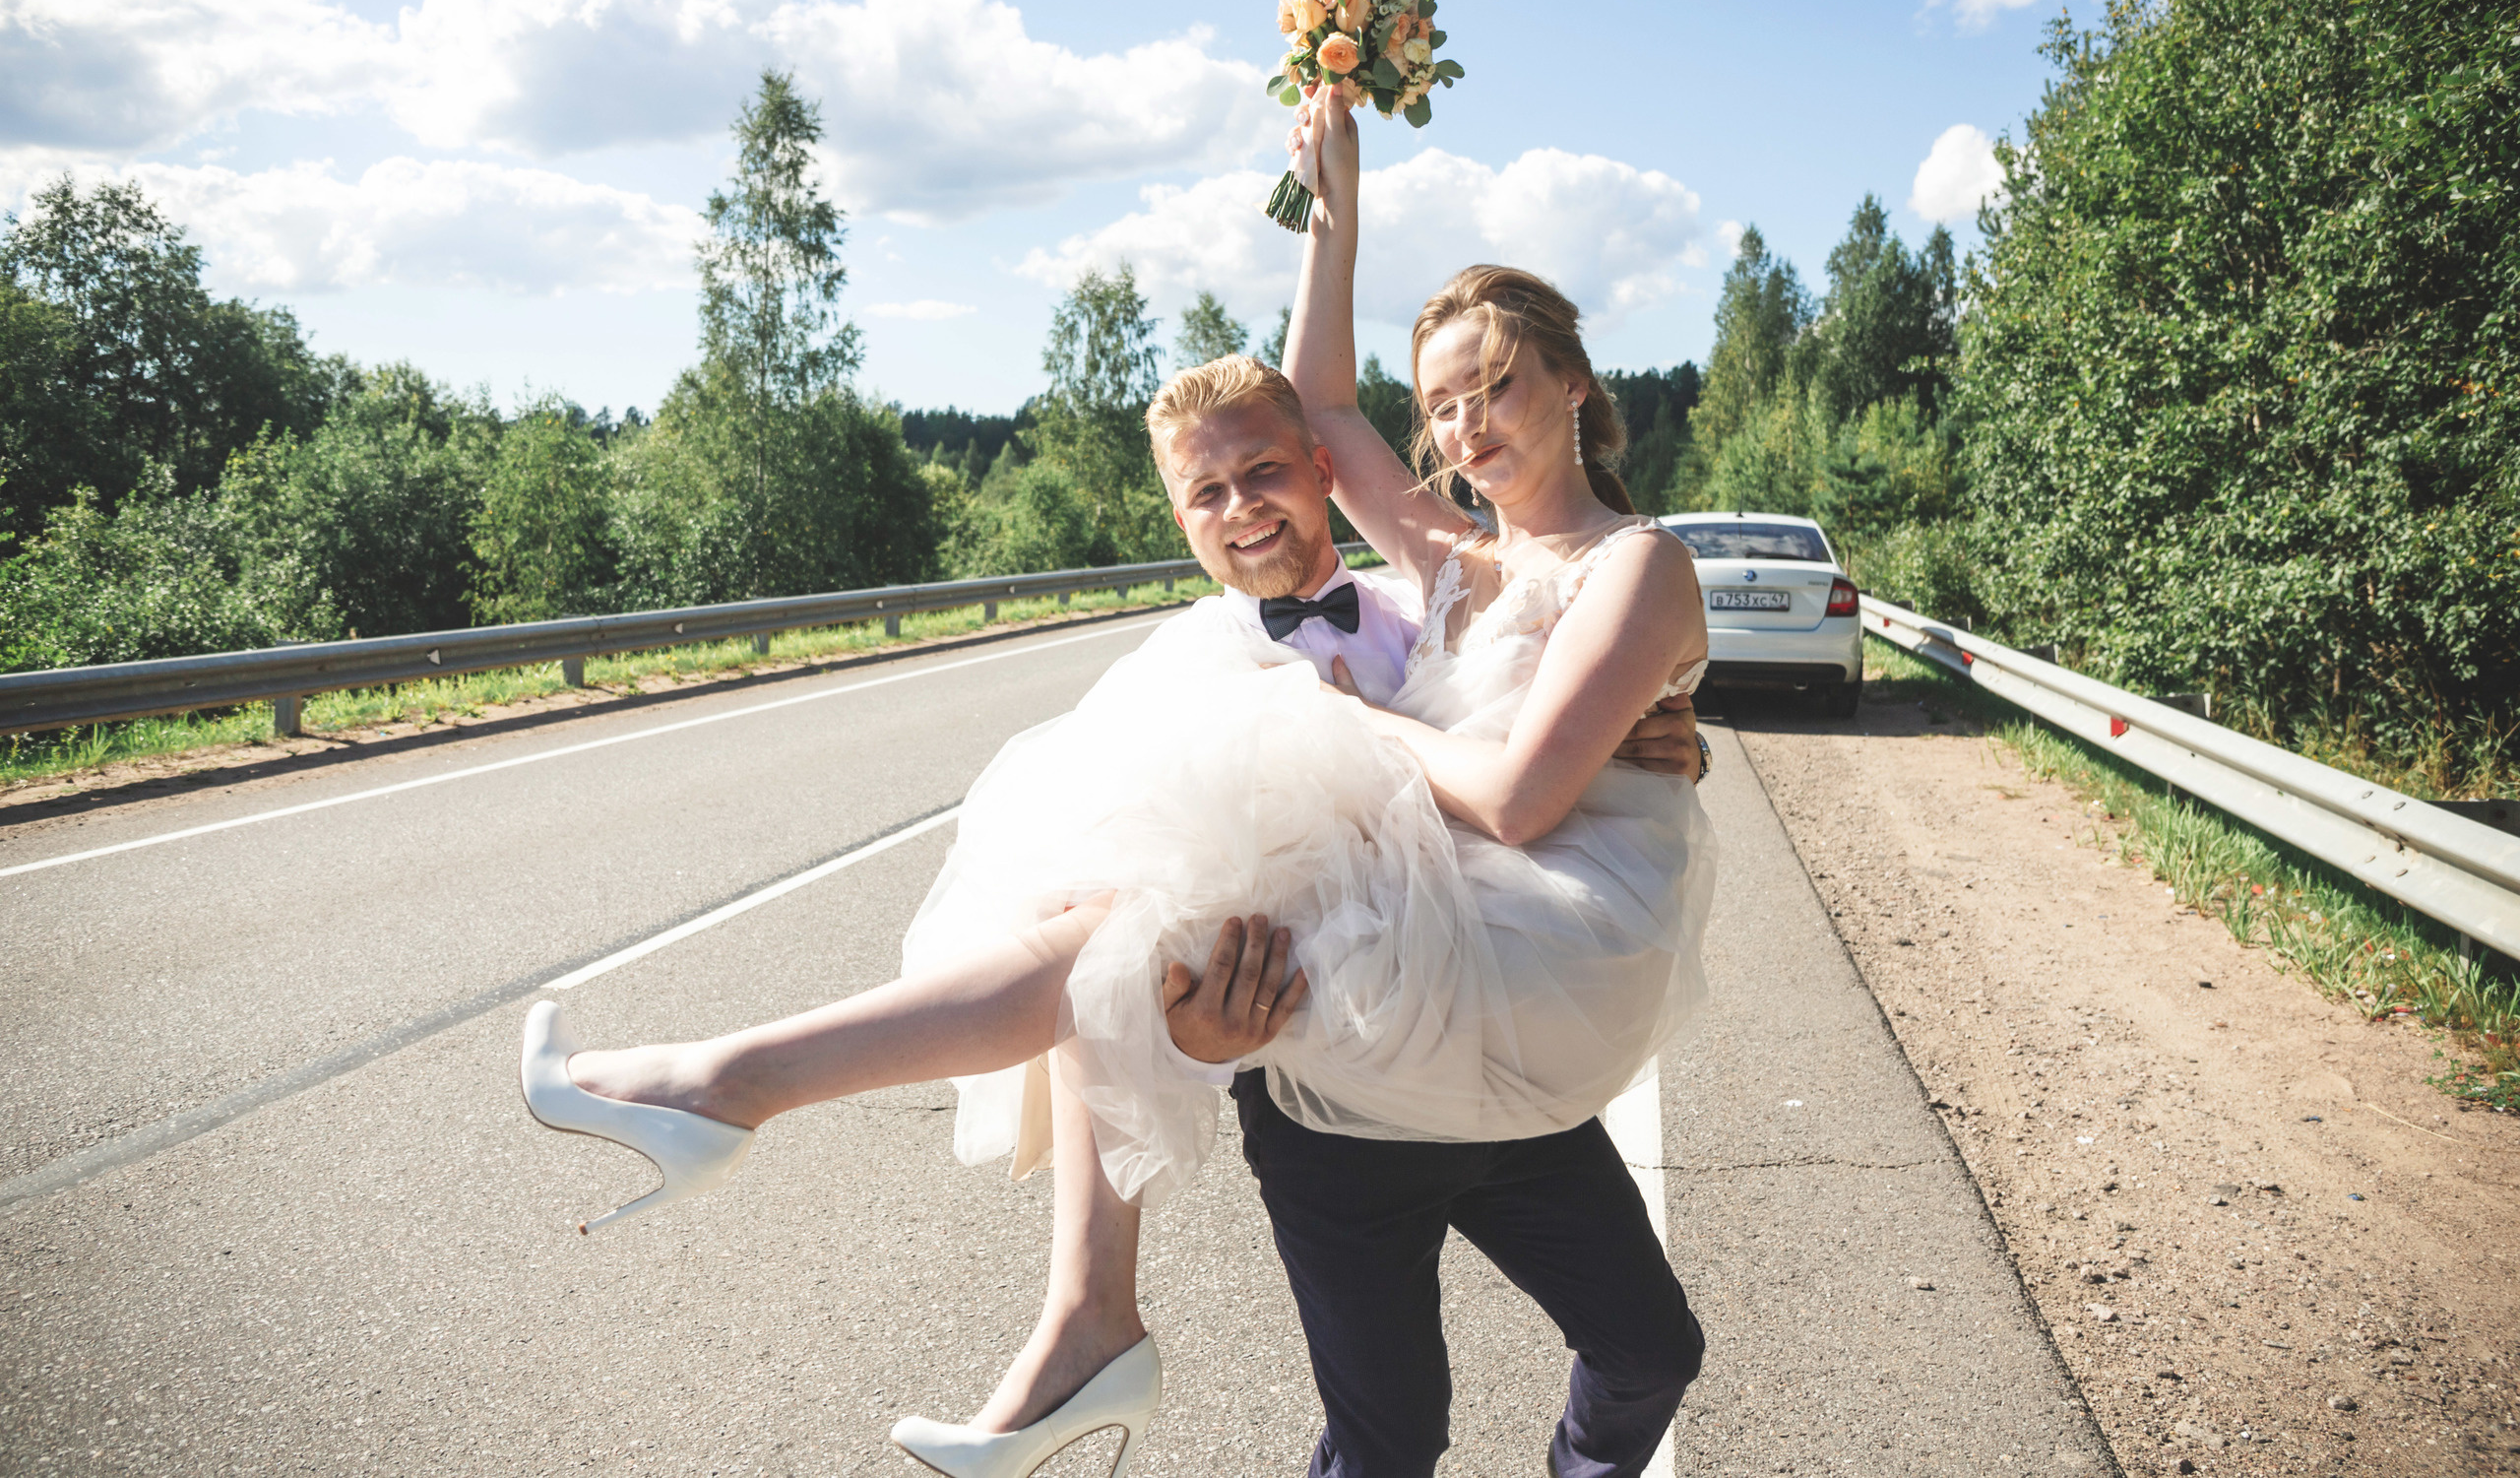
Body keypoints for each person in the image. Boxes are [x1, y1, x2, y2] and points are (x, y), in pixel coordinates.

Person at [522, 99, 1718, 1478]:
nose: (1463, 422)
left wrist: (1350, 731)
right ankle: (809, 1140)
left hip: (1525, 953)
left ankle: (752, 1108)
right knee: (1132, 924)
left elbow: (1515, 797)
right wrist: (1336, 205)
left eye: (1495, 385)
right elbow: (1323, 401)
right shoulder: (1454, 556)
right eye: (1440, 402)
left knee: (1647, 1350)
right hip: (1396, 999)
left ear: (1572, 379)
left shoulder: (1630, 564)